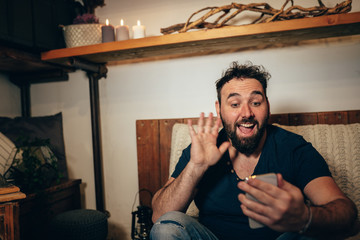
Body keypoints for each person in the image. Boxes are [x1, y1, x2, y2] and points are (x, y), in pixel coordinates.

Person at [150, 61, 358, 240]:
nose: (246, 113)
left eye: (256, 102)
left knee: (314, 232)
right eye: (234, 104)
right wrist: (196, 167)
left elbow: (346, 214)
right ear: (219, 109)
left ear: (267, 105)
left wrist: (305, 217)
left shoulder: (293, 148)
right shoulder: (202, 150)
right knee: (170, 224)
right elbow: (160, 216)